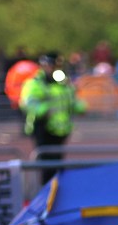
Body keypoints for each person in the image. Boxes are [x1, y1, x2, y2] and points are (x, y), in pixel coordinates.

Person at [19, 52, 85, 185]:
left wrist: (81, 107)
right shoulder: (35, 83)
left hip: (61, 129)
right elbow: (28, 103)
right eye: (49, 65)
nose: (52, 68)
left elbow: (70, 100)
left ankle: (57, 192)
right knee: (46, 164)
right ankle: (45, 194)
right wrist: (44, 110)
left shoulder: (63, 82)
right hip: (43, 127)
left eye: (55, 65)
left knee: (58, 163)